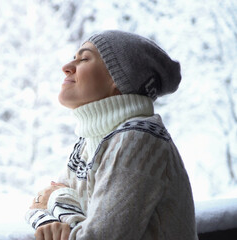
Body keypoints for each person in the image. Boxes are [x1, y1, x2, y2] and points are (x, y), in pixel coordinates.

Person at [25, 30, 198, 240]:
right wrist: (49, 222)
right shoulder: (87, 145)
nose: (67, 67)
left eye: (84, 58)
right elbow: (37, 205)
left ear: (119, 78)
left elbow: (60, 203)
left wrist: (58, 202)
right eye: (74, 59)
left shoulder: (139, 138)